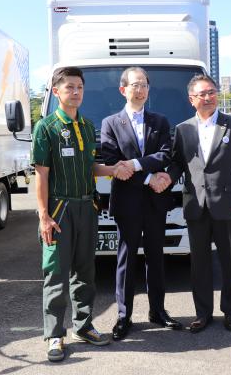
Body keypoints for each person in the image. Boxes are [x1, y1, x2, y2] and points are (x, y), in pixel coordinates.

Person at [32, 66, 118, 362]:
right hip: (60, 209)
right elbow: (41, 175)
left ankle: (83, 326)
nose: (76, 92)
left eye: (79, 87)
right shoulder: (46, 128)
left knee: (85, 272)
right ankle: (55, 335)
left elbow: (90, 167)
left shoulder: (87, 125)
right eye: (69, 87)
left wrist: (114, 169)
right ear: (56, 92)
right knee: (56, 274)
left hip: (87, 208)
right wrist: (44, 215)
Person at [161, 74, 231, 333]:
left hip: (227, 204)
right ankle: (202, 314)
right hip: (196, 205)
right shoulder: (183, 129)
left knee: (229, 261)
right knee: (199, 264)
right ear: (192, 99)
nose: (208, 97)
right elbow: (178, 163)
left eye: (212, 92)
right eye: (202, 94)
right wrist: (165, 178)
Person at [100, 66, 183, 341]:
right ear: (123, 89)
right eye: (135, 85)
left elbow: (165, 154)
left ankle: (157, 311)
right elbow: (113, 162)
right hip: (127, 202)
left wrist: (136, 165)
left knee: (156, 257)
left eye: (144, 85)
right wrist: (148, 178)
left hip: (156, 203)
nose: (140, 90)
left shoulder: (160, 121)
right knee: (126, 259)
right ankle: (124, 317)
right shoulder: (110, 123)